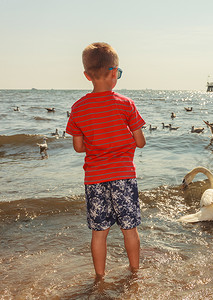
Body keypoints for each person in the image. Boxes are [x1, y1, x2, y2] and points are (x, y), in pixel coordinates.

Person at [66, 42, 146, 278]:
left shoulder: (78, 108)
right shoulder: (126, 104)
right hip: (123, 176)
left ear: (86, 75)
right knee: (129, 230)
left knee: (99, 233)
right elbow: (140, 142)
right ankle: (134, 272)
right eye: (118, 73)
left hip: (95, 179)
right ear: (114, 73)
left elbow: (79, 147)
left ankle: (100, 277)